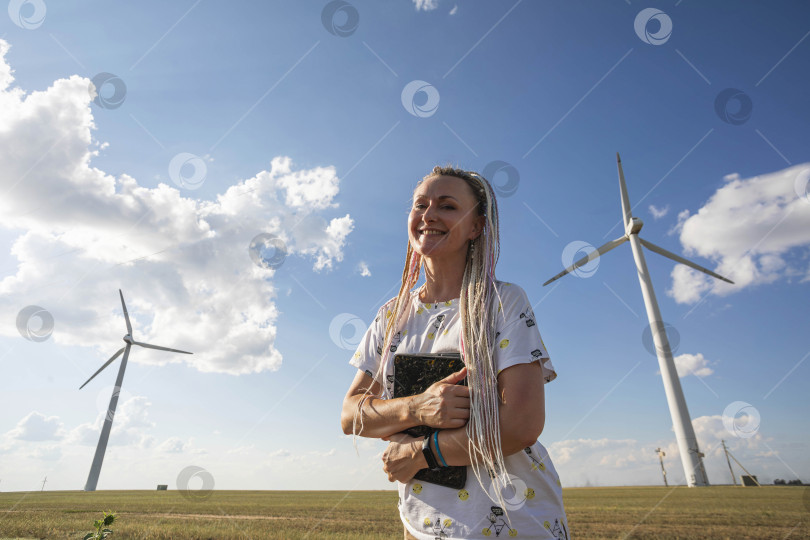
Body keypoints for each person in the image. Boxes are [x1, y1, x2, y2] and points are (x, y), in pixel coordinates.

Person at [341, 166, 569, 539]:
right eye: (420, 205)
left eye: (447, 206)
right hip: (421, 523)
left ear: (477, 227)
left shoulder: (502, 302)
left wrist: (420, 453)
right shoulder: (391, 315)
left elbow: (520, 426)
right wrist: (416, 408)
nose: (429, 215)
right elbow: (352, 415)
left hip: (512, 524)